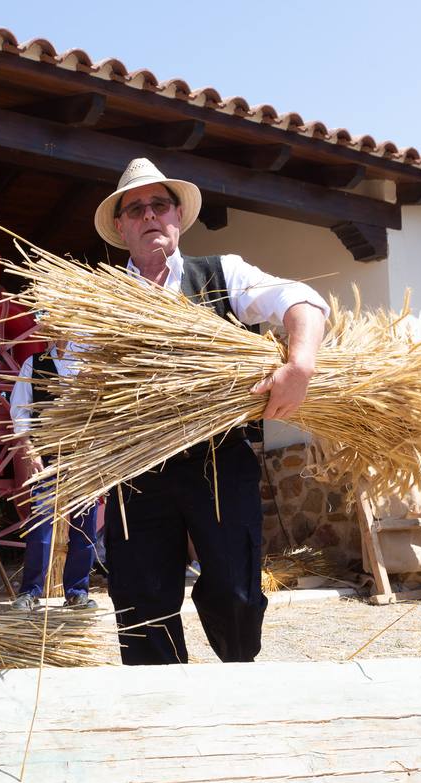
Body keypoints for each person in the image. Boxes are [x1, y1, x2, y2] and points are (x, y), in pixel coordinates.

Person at [94, 158, 328, 665]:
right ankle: (162, 709)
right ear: (121, 225)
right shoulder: (96, 301)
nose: (149, 215)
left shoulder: (222, 274)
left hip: (219, 461)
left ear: (178, 215)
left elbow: (300, 298)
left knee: (238, 594)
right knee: (140, 602)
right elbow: (73, 380)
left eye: (160, 204)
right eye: (136, 209)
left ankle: (235, 688)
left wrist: (301, 364)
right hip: (137, 472)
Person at [8, 337, 97, 611]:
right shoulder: (33, 364)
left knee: (84, 527)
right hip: (46, 456)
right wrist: (30, 450)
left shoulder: (89, 360)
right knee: (41, 526)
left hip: (84, 456)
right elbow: (20, 412)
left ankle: (77, 591)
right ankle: (31, 592)